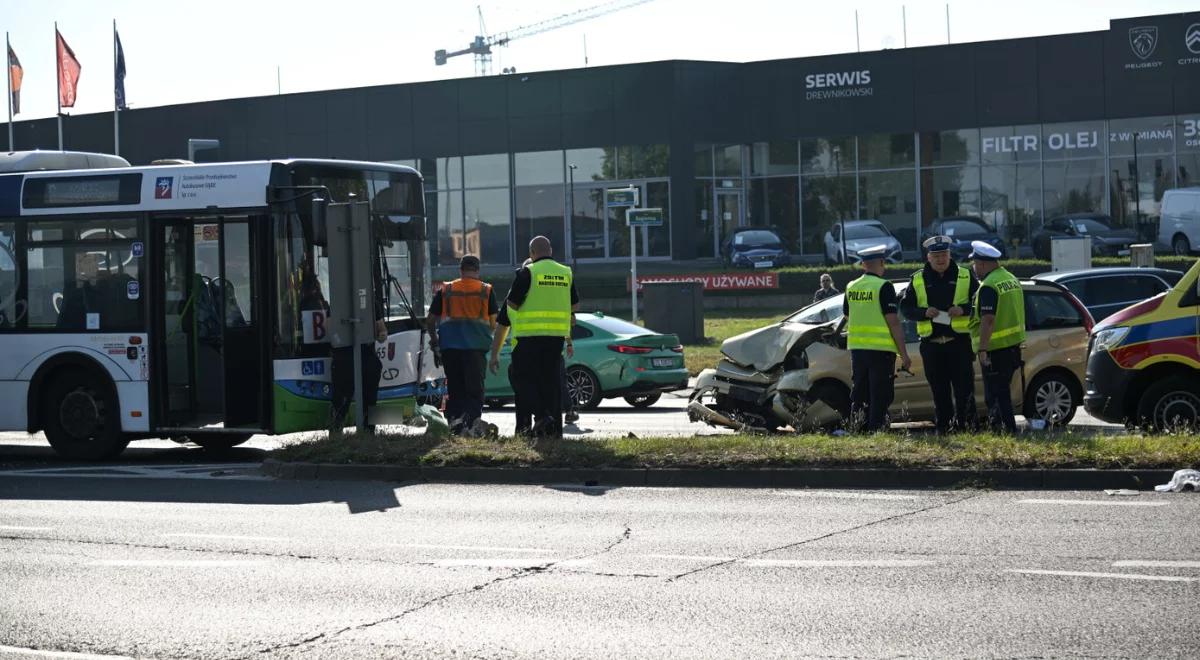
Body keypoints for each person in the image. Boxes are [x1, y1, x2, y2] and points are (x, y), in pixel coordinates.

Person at [900, 235, 979, 434]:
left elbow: (980, 304)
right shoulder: (918, 278)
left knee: (964, 390)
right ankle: (944, 429)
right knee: (939, 391)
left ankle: (967, 429)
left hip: (958, 343)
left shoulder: (965, 275)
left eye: (944, 254)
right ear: (928, 257)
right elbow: (906, 309)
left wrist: (963, 309)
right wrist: (923, 313)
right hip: (932, 346)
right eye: (936, 256)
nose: (941, 259)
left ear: (950, 254)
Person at [506, 235, 579, 439]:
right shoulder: (566, 273)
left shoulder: (527, 272)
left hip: (529, 337)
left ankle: (540, 415)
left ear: (531, 253)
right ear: (551, 251)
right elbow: (574, 306)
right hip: (555, 337)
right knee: (551, 383)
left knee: (521, 377)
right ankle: (554, 432)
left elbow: (512, 303)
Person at [426, 254, 499, 435]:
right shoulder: (486, 290)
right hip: (475, 349)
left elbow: (430, 320)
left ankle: (455, 425)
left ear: (461, 270)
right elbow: (493, 324)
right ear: (478, 270)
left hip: (450, 349)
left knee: (456, 388)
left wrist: (435, 342)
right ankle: (473, 423)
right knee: (474, 389)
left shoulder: (447, 290)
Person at [842, 245, 912, 432]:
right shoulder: (884, 286)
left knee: (860, 394)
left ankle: (857, 429)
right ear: (882, 262)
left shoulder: (851, 286)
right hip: (881, 352)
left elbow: (848, 316)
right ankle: (876, 431)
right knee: (880, 394)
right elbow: (893, 322)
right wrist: (904, 354)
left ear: (863, 265)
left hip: (857, 350)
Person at [968, 240, 1025, 434]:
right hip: (1012, 347)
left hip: (995, 349)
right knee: (1003, 393)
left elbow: (988, 320)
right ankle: (1007, 430)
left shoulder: (989, 286)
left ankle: (1003, 432)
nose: (973, 268)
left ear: (982, 263)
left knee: (995, 396)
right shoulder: (1010, 279)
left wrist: (983, 349)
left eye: (974, 263)